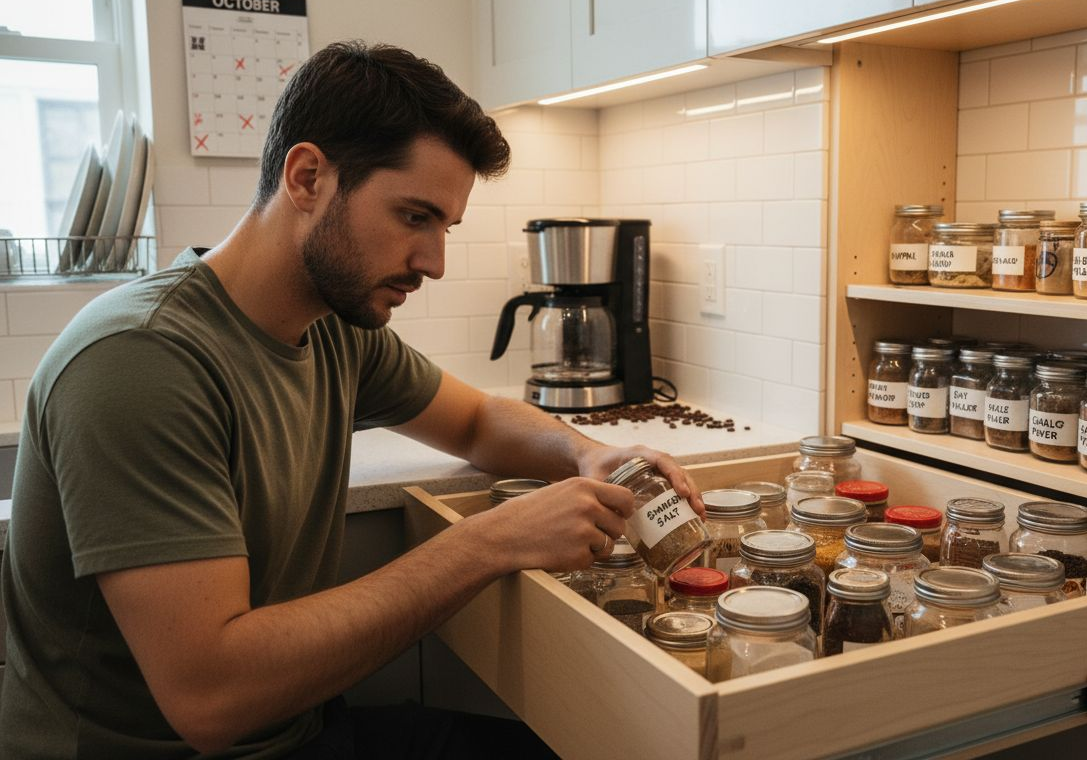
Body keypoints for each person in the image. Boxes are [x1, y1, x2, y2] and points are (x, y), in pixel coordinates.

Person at [0, 41, 702, 759]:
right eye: (413, 217)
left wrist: (589, 451)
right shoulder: (140, 361)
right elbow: (210, 697)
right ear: (307, 178)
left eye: (444, 228)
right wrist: (489, 542)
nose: (433, 261)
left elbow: (477, 418)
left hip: (296, 730)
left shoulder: (331, 325)